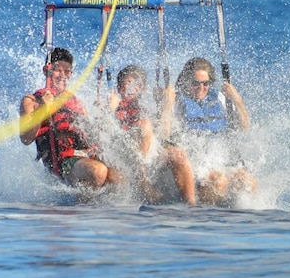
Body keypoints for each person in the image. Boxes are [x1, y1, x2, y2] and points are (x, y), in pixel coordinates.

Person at [161, 57, 257, 205]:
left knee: (247, 181)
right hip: (198, 164)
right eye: (195, 84)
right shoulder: (178, 101)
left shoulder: (219, 97)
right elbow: (164, 135)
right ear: (186, 81)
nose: (201, 88)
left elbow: (245, 127)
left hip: (222, 159)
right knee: (219, 181)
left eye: (205, 83)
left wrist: (237, 100)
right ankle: (210, 217)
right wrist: (166, 105)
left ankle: (242, 219)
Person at [20, 47, 118, 189]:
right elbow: (26, 139)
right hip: (62, 162)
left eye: (67, 71)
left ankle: (104, 210)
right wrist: (43, 109)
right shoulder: (32, 101)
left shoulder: (75, 101)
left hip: (85, 155)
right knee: (98, 171)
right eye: (58, 70)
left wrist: (108, 111)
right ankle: (82, 210)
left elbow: (92, 133)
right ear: (46, 70)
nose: (63, 75)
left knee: (119, 176)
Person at [109, 65, 196, 205]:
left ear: (143, 89)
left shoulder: (147, 109)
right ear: (119, 88)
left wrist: (166, 105)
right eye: (128, 83)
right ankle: (142, 183)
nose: (133, 88)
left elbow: (164, 134)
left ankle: (192, 205)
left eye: (137, 85)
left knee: (178, 154)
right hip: (126, 155)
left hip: (150, 156)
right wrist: (110, 109)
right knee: (144, 125)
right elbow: (106, 134)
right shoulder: (113, 105)